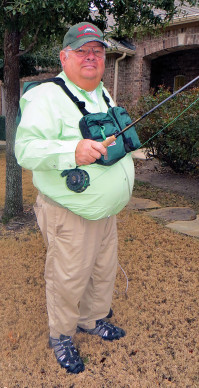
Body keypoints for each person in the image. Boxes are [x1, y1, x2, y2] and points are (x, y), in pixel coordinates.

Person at [15, 22, 135, 374]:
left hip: (106, 212)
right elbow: (25, 149)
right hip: (69, 212)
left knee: (102, 271)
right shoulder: (45, 96)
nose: (91, 57)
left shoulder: (103, 93)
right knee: (68, 277)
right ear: (64, 57)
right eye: (82, 51)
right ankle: (62, 335)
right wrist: (73, 150)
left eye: (97, 51)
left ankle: (92, 319)